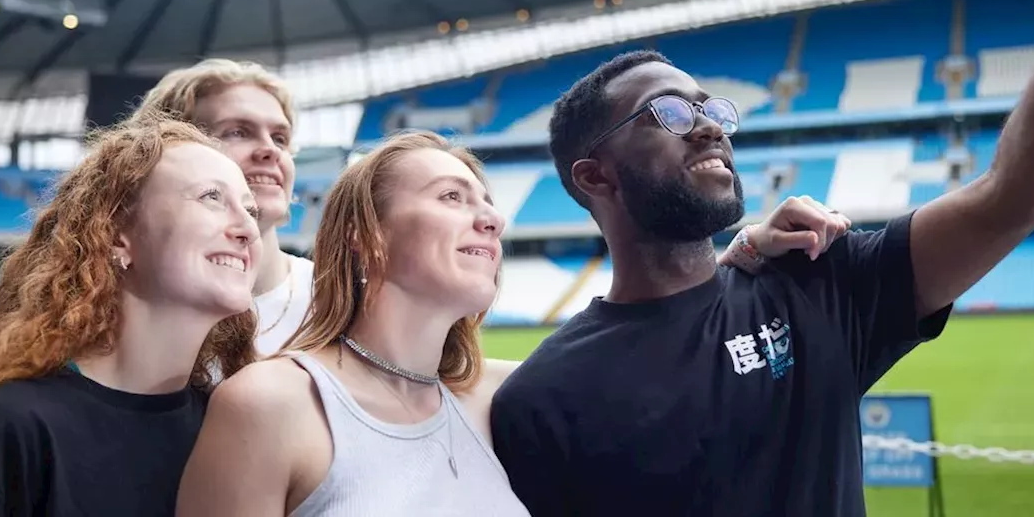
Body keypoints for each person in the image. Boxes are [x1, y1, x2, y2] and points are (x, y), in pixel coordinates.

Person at [489, 0, 1034, 514]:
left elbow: (1014, 198)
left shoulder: (815, 284)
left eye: (712, 109)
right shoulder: (544, 400)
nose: (710, 126)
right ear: (595, 176)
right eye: (672, 113)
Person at [174, 128, 848, 516]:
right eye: (452, 197)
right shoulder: (272, 406)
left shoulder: (503, 397)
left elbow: (656, 348)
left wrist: (738, 254)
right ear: (367, 239)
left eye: (488, 202)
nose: (491, 218)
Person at [0, 116, 262, 516]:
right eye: (211, 197)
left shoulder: (233, 432)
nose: (248, 228)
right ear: (116, 235)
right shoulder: (11, 425)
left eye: (251, 210)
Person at [129, 59, 312, 355]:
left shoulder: (345, 301)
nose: (270, 151)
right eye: (237, 132)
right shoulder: (111, 311)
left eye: (280, 138)